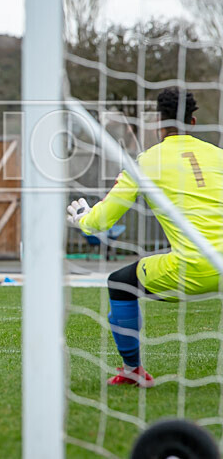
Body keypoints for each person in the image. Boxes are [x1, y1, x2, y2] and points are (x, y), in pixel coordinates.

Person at [67, 87, 223, 388]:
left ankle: (132, 370)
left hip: (193, 270)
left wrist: (82, 218)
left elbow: (103, 219)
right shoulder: (218, 156)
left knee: (119, 283)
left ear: (158, 123)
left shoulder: (147, 161)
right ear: (193, 122)